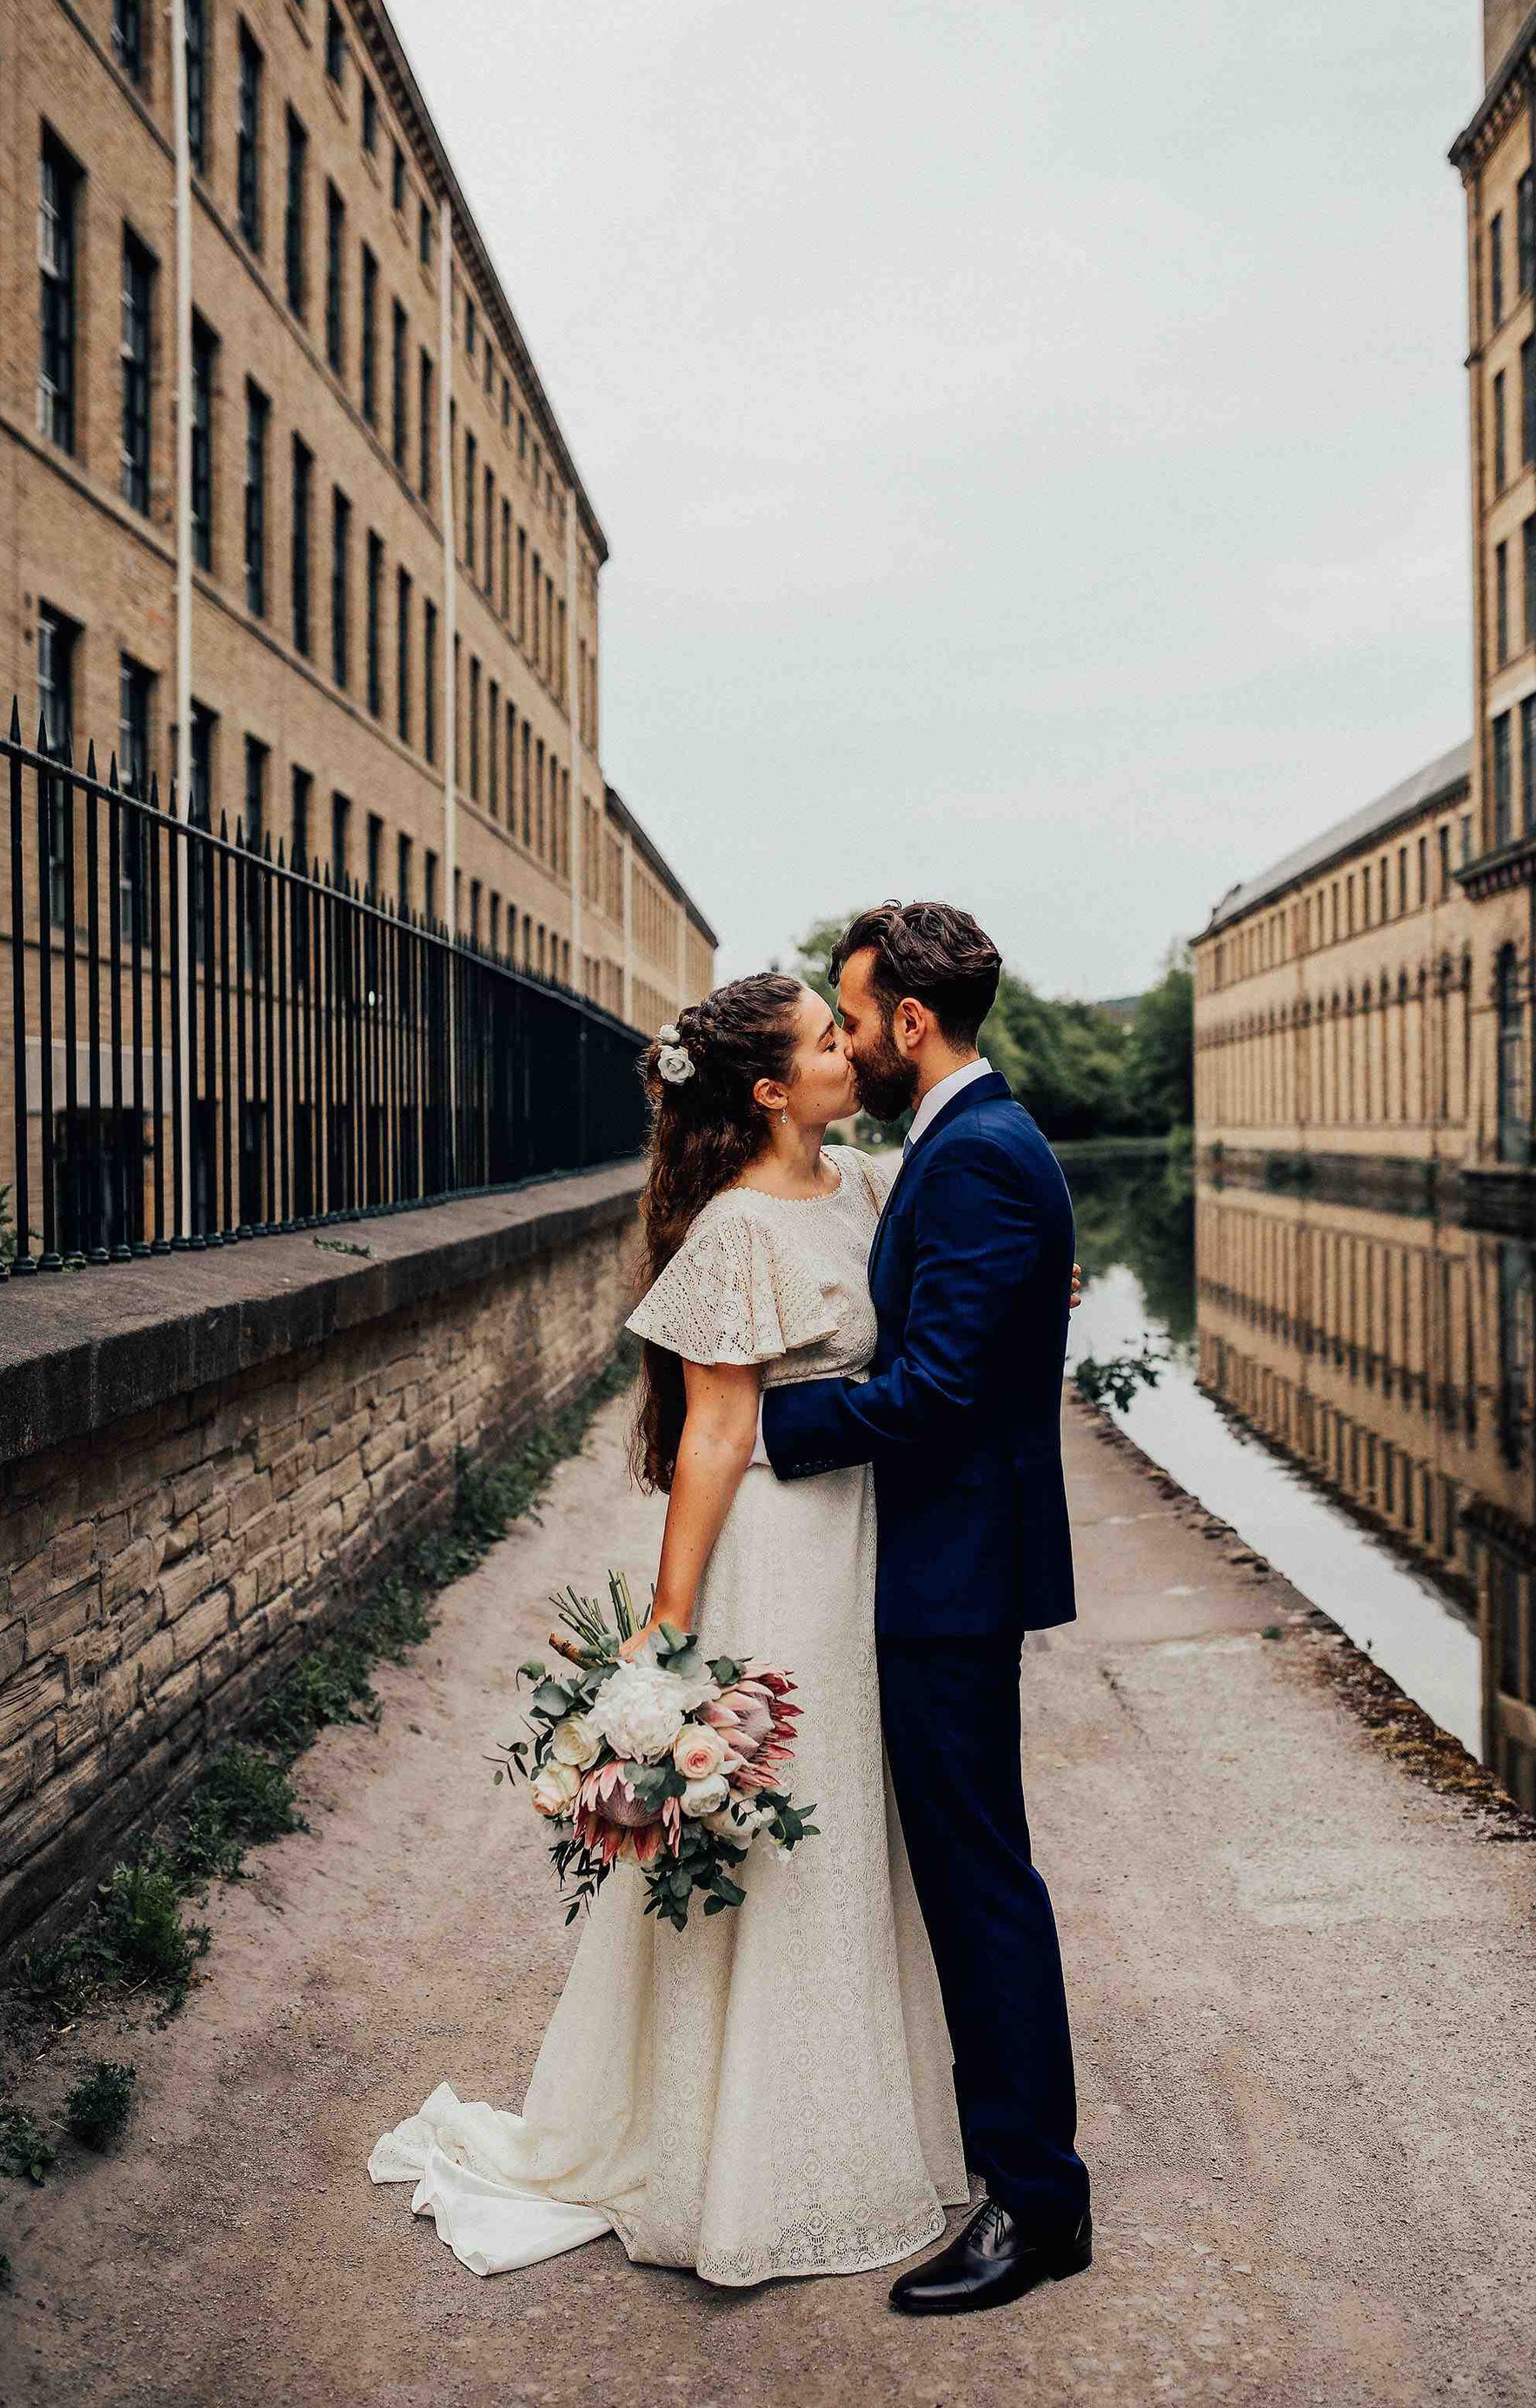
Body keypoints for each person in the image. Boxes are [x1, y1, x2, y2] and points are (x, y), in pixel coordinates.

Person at [369, 973, 968, 2285]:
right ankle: (740, 2153)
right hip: (784, 1553)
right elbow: (712, 1431)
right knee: (785, 1816)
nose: (848, 1050)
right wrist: (670, 1632)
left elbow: (945, 1307)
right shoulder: (735, 1234)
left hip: (868, 1539)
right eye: (825, 1040)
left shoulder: (864, 1185)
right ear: (767, 1088)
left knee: (856, 1813)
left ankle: (859, 2120)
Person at [760, 901, 1093, 2316]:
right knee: (971, 1873)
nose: (844, 1039)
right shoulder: (968, 1147)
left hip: (953, 1577)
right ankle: (1018, 2172)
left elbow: (940, 1392)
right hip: (951, 1562)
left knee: (979, 1883)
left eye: (851, 1014)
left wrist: (773, 1421)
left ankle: (1037, 2205)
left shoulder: (975, 1161)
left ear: (911, 1022)